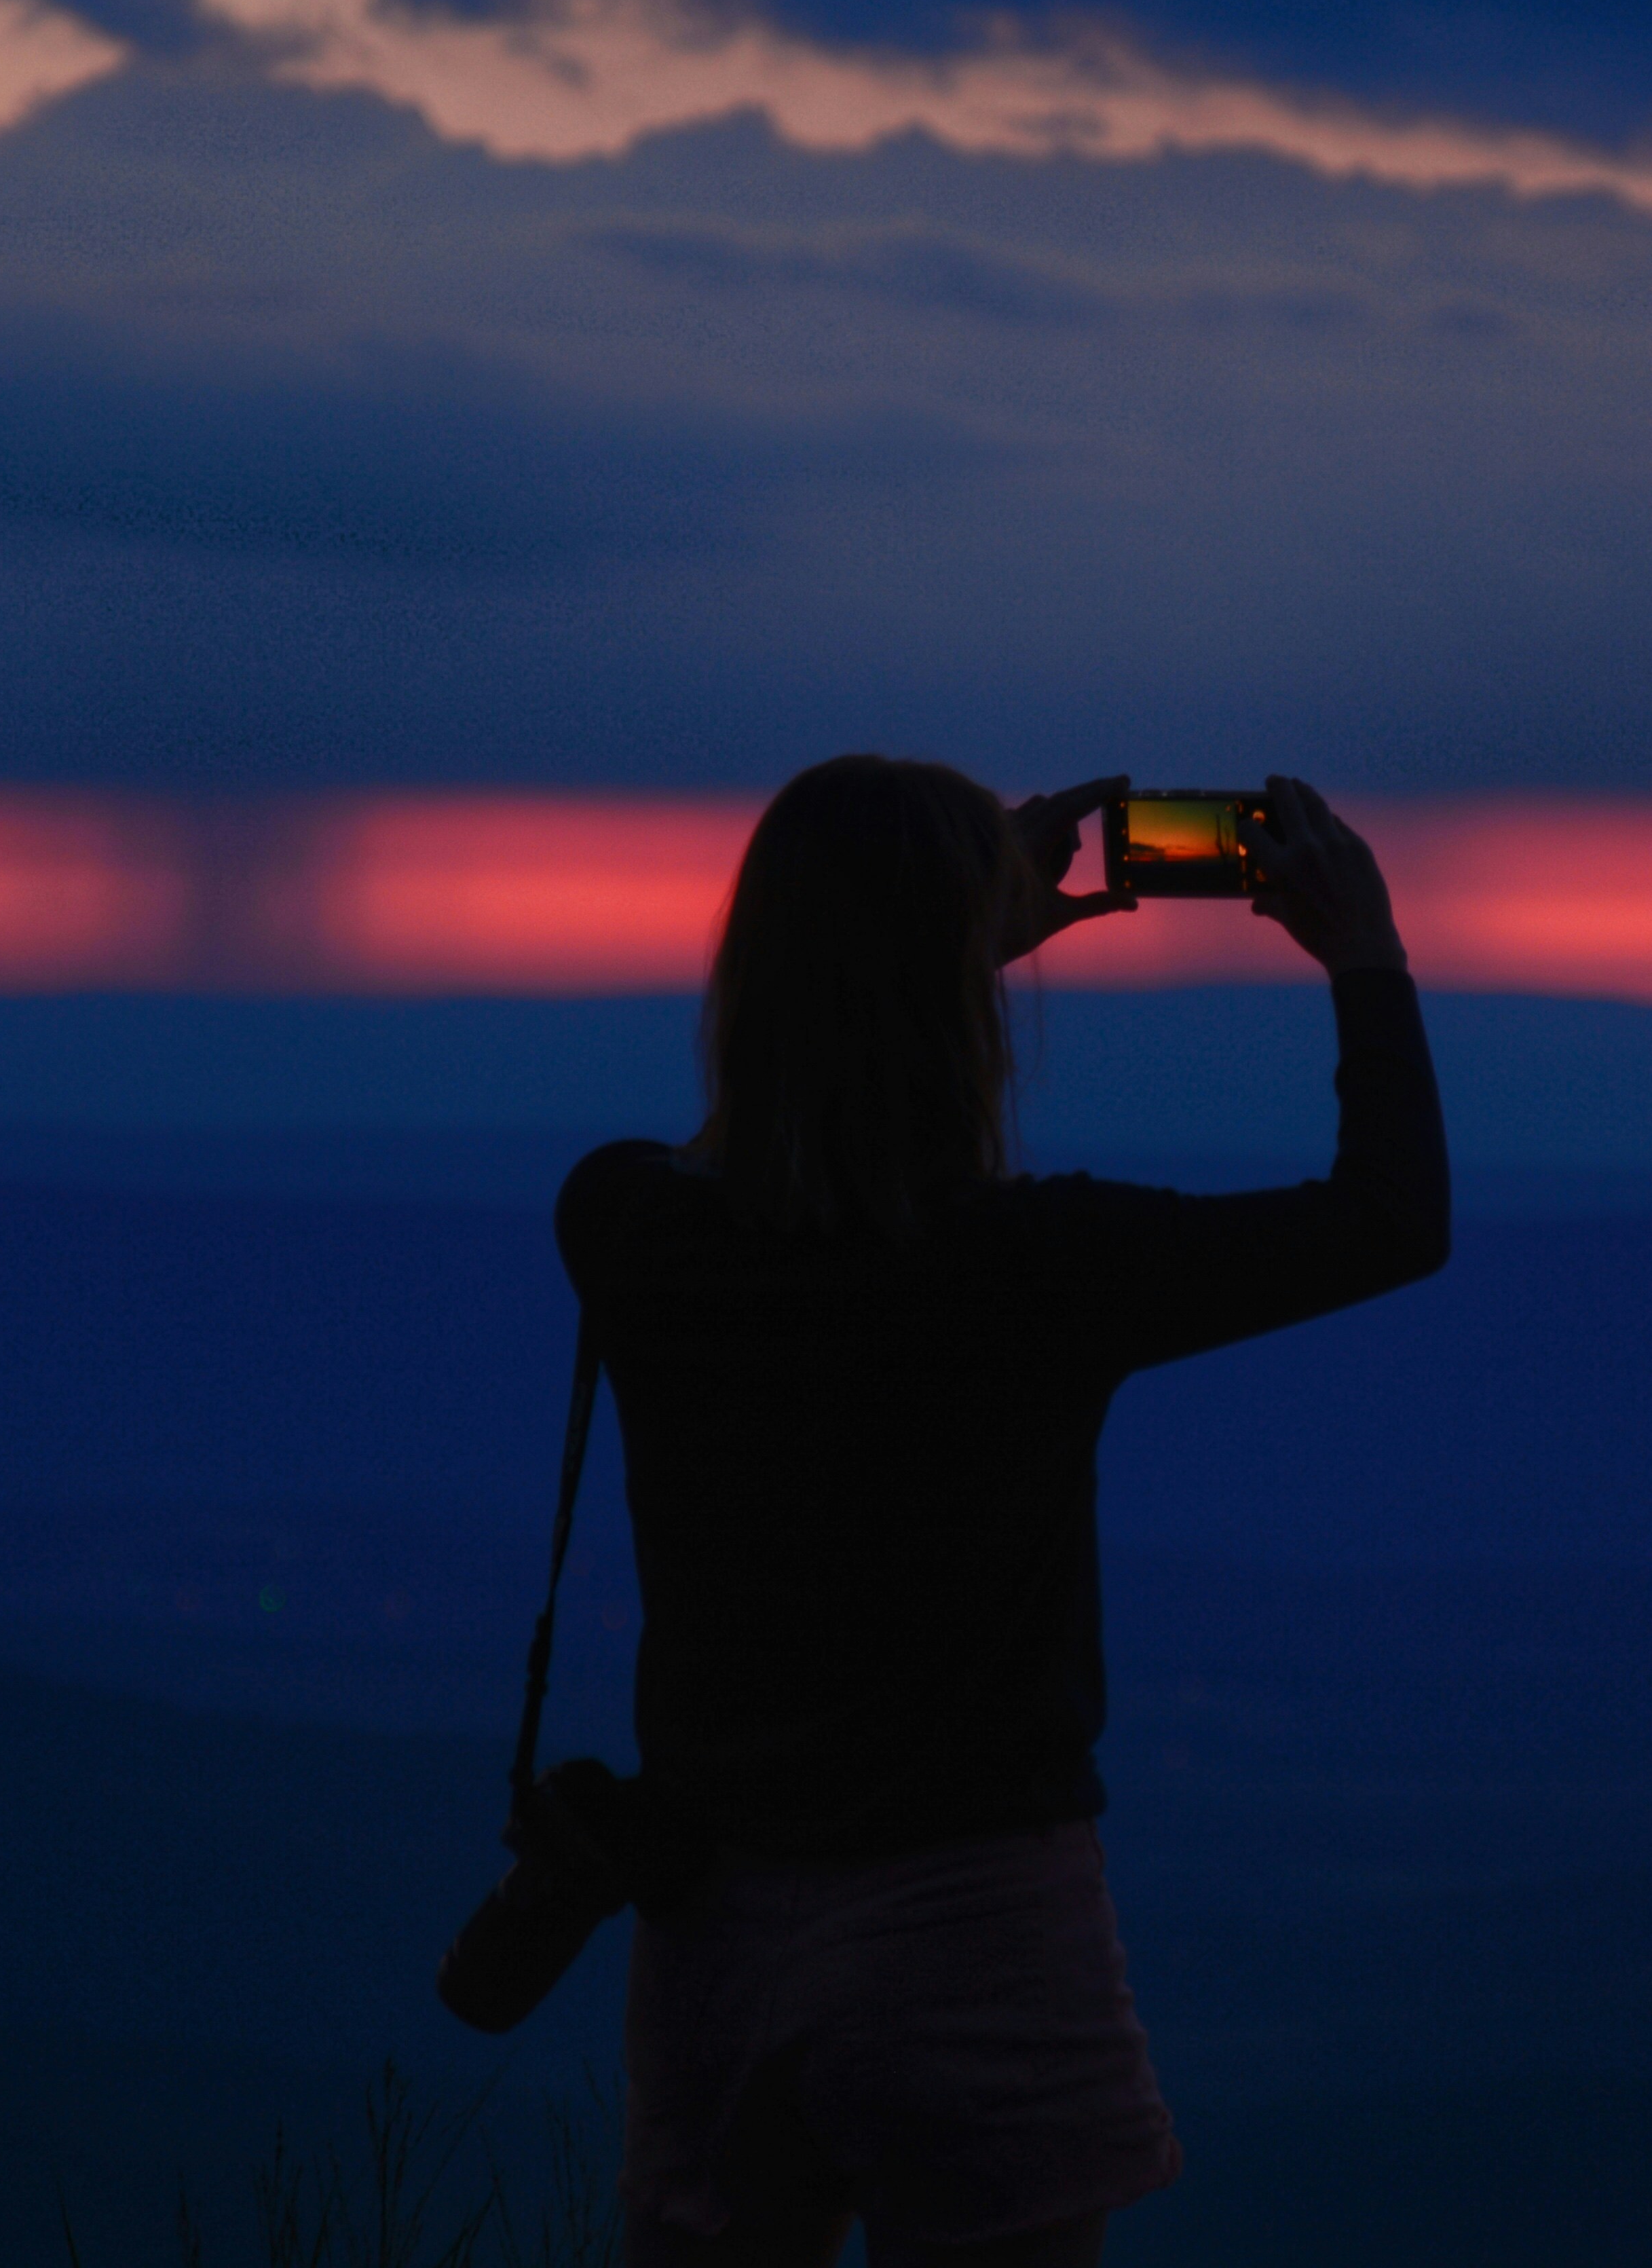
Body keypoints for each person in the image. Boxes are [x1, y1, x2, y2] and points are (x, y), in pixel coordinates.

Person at [557, 758, 1450, 2267]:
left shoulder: (631, 1227)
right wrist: (1363, 950)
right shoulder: (1036, 1265)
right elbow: (1391, 1217)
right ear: (962, 999)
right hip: (975, 1926)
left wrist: (922, 943)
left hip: (713, 1930)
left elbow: (727, 1165)